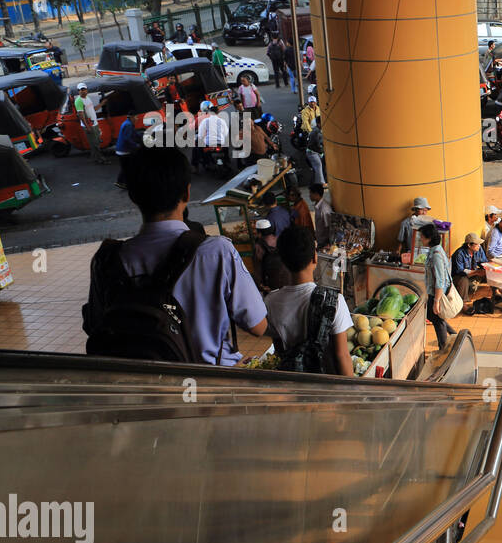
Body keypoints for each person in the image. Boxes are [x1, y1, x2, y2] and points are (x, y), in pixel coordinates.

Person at [84, 148, 268, 365]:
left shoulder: (106, 259)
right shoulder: (217, 252)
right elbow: (258, 326)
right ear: (186, 194)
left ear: (133, 196)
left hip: (142, 387)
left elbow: (94, 325)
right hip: (211, 383)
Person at [263, 225, 354, 376]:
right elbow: (342, 356)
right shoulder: (333, 300)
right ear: (315, 258)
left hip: (294, 381)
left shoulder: (271, 301)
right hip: (325, 381)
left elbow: (279, 350)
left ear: (283, 261)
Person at [417, 222, 456, 350]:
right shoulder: (435, 250)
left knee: (437, 320)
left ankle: (443, 349)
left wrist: (436, 301)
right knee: (433, 316)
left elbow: (439, 281)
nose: (420, 239)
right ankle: (454, 335)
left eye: (422, 237)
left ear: (429, 238)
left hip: (438, 293)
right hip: (436, 292)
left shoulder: (436, 255)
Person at [72, 82, 107, 165]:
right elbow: (81, 115)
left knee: (97, 142)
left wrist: (102, 104)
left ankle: (95, 157)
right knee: (95, 144)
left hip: (94, 124)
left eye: (84, 89)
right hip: (89, 125)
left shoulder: (88, 98)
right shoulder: (79, 101)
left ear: (87, 90)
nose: (83, 91)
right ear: (78, 91)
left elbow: (92, 109)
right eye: (81, 90)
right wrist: (87, 127)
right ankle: (100, 160)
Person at [451, 232, 488, 304]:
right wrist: (476, 272)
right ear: (469, 245)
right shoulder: (459, 254)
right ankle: (463, 302)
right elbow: (460, 271)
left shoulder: (479, 250)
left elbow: (484, 262)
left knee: (491, 273)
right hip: (460, 276)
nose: (479, 246)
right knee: (463, 280)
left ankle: (496, 292)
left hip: (473, 273)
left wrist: (488, 268)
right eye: (476, 244)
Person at [112, 115, 142, 190]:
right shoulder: (128, 125)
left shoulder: (127, 123)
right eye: (136, 117)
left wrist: (142, 136)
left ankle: (121, 182)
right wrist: (137, 145)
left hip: (121, 150)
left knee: (126, 167)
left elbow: (134, 134)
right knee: (128, 167)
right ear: (131, 117)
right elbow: (127, 139)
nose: (137, 119)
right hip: (124, 151)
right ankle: (124, 182)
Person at [305, 116, 326, 185]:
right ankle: (321, 183)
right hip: (312, 153)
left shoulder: (319, 130)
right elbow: (318, 145)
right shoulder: (316, 132)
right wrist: (322, 151)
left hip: (316, 152)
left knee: (316, 168)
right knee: (318, 165)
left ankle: (314, 183)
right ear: (318, 123)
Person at [310, 183, 333, 247]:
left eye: (311, 193)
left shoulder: (324, 209)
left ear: (316, 194)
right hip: (319, 239)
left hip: (324, 242)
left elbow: (329, 228)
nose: (309, 196)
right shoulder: (318, 206)